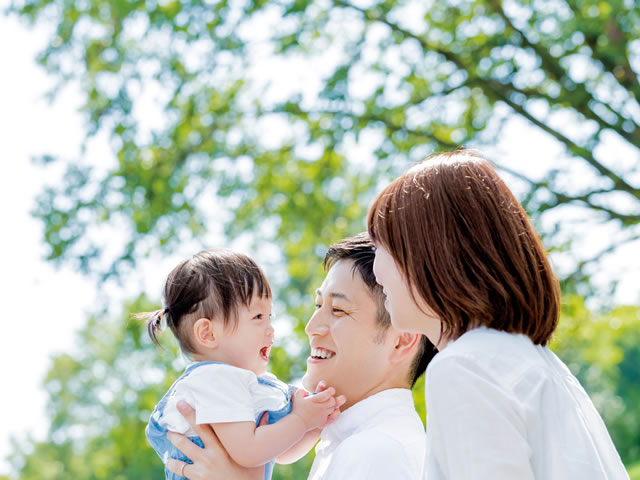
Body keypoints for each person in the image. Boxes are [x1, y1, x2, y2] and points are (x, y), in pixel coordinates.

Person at [367, 149, 630, 480]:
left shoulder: (465, 367)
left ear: (433, 251)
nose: (376, 273)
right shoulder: (532, 361)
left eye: (381, 248)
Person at [165, 233, 436, 479]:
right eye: (318, 305)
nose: (311, 327)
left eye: (338, 310)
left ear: (401, 341)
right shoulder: (347, 440)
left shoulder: (377, 451)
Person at [138, 248, 343, 480]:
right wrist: (302, 419)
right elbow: (250, 452)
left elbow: (278, 453)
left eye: (270, 316)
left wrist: (313, 426)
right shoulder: (215, 380)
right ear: (208, 333)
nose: (271, 329)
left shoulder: (246, 385)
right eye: (257, 317)